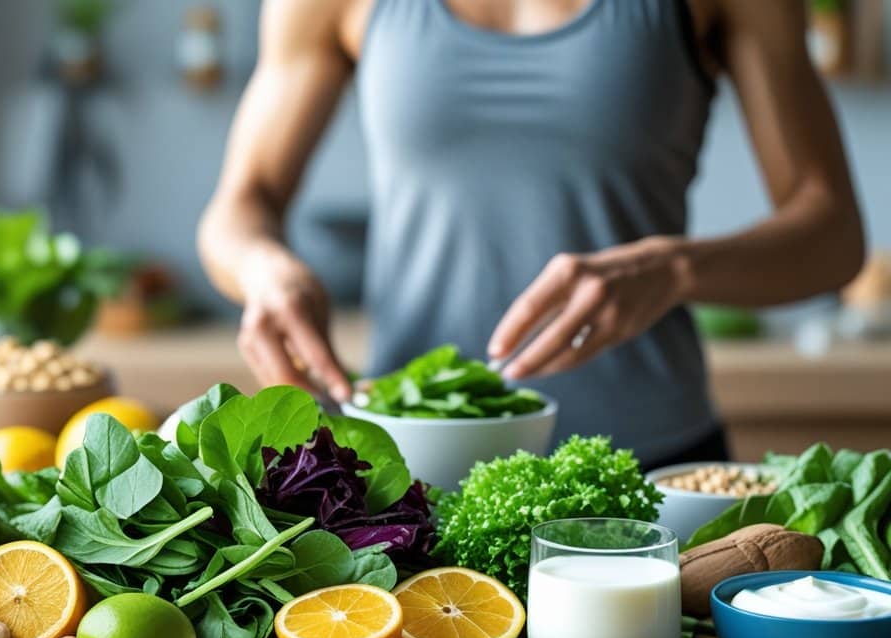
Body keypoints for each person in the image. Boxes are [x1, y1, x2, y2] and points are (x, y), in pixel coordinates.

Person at [197, 0, 864, 466]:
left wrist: (675, 267)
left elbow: (833, 232)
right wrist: (266, 271)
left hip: (650, 467)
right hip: (411, 469)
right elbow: (238, 207)